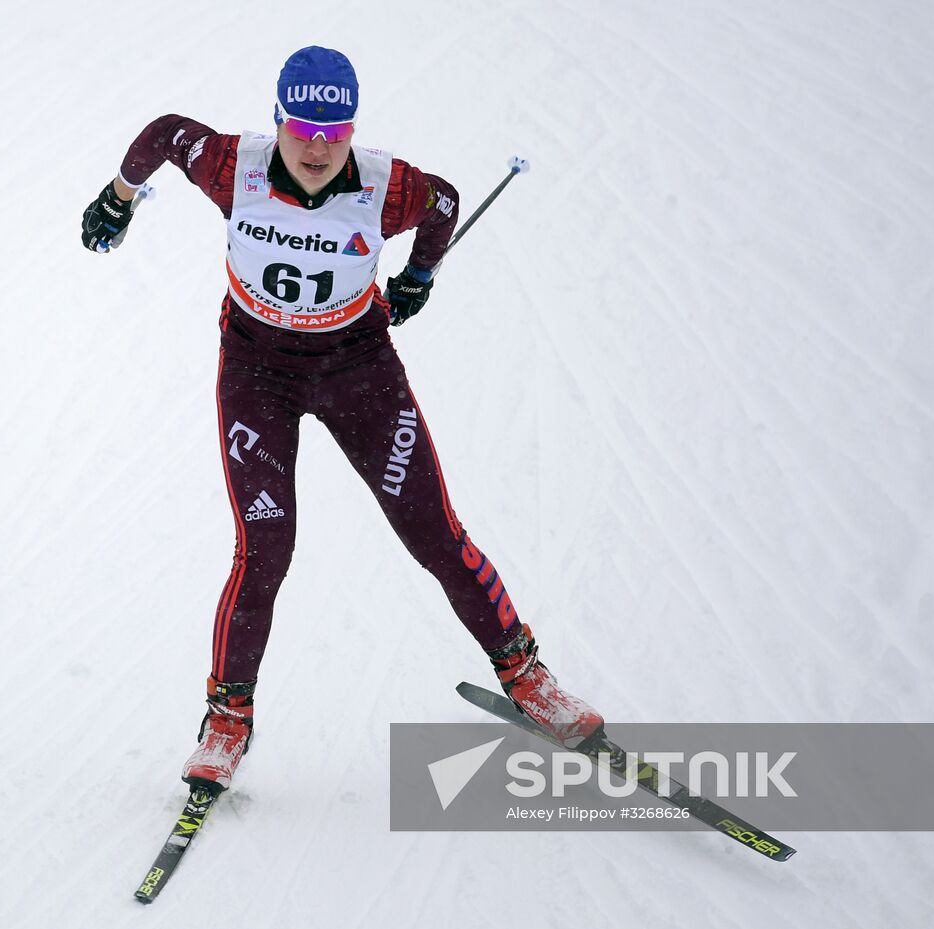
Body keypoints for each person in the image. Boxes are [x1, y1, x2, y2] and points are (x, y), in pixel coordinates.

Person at [82, 47, 602, 791]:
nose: (319, 149)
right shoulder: (233, 167)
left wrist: (420, 275)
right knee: (265, 548)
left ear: (352, 127)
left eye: (335, 132)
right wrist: (118, 197)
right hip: (258, 376)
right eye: (303, 130)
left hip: (358, 372)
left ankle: (528, 678)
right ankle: (227, 719)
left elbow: (445, 204)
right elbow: (166, 133)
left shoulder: (389, 188)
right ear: (279, 122)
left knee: (434, 532)